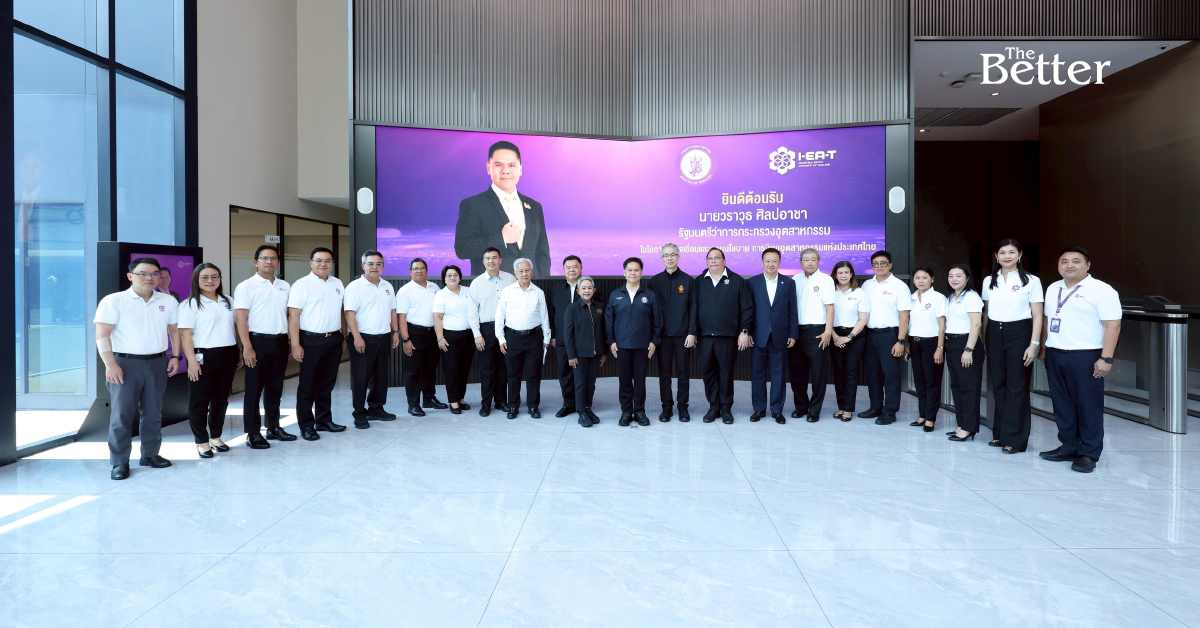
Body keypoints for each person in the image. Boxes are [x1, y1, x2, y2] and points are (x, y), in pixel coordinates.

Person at [94, 258, 181, 480]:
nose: (149, 278)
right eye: (143, 273)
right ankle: (119, 462)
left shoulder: (168, 300)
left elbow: (174, 331)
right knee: (122, 414)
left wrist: (175, 356)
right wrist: (110, 365)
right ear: (130, 276)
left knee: (153, 412)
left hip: (158, 362)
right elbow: (102, 335)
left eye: (154, 273)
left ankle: (150, 455)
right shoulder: (114, 301)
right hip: (125, 364)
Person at [1038, 247, 1122, 473]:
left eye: (1076, 261)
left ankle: (1088, 453)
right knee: (1062, 404)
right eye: (1064, 261)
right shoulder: (1053, 288)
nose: (1069, 265)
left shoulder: (1102, 290)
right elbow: (1047, 319)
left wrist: (1106, 358)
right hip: (1055, 353)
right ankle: (1069, 446)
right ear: (1058, 265)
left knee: (1088, 405)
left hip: (1085, 356)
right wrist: (1044, 347)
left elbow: (1113, 325)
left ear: (1088, 265)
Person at [982, 239, 1044, 454]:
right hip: (994, 332)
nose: (1006, 256)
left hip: (1020, 333)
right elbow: (986, 313)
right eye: (1002, 252)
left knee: (1017, 386)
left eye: (1011, 252)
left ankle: (1015, 439)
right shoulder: (989, 280)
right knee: (998, 385)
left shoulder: (1031, 281)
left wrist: (1034, 344)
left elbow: (1038, 315)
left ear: (1020, 255)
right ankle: (999, 433)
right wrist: (985, 339)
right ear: (996, 257)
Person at [454, 140, 552, 276]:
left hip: (531, 286)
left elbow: (542, 254)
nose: (505, 171)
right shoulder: (473, 205)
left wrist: (544, 282)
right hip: (493, 286)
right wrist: (502, 238)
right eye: (499, 165)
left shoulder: (534, 207)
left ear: (520, 169)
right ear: (489, 168)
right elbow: (462, 249)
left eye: (511, 165)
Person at [234, 244, 295, 448]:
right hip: (257, 342)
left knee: (275, 388)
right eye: (265, 258)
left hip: (280, 341)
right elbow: (240, 319)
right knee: (254, 389)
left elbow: (289, 316)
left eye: (273, 258)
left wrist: (289, 342)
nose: (269, 261)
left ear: (278, 262)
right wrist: (246, 347)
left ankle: (273, 427)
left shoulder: (285, 286)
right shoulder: (246, 286)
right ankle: (252, 433)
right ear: (255, 262)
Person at [179, 263, 239, 458]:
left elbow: (235, 327)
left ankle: (216, 437)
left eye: (215, 277)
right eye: (204, 277)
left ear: (220, 279)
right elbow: (185, 335)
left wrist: (238, 351)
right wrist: (192, 362)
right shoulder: (189, 304)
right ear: (196, 280)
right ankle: (201, 441)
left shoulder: (228, 300)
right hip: (202, 355)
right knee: (199, 400)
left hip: (227, 353)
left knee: (221, 399)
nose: (210, 281)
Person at [288, 247, 348, 441]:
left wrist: (343, 335)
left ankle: (324, 420)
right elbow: (293, 316)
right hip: (311, 340)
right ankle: (306, 425)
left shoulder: (337, 283)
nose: (323, 264)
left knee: (327, 383)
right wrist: (295, 344)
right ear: (311, 263)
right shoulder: (301, 285)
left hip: (334, 339)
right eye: (319, 260)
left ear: (332, 263)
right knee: (308, 385)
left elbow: (341, 311)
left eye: (328, 260)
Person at [691, 248, 753, 424]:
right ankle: (713, 407)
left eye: (717, 258)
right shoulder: (699, 282)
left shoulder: (737, 281)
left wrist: (744, 331)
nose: (713, 261)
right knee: (708, 372)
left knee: (725, 373)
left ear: (724, 260)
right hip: (704, 337)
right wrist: (692, 332)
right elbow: (693, 308)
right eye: (710, 258)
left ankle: (726, 408)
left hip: (727, 336)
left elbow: (747, 308)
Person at [343, 249, 400, 430]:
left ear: (383, 266)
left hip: (383, 337)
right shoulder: (355, 287)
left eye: (378, 264)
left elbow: (392, 311)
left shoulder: (387, 286)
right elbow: (349, 313)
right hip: (363, 338)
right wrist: (356, 337)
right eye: (371, 264)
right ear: (363, 266)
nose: (374, 267)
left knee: (380, 376)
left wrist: (395, 332)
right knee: (360, 378)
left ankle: (376, 408)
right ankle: (359, 413)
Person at [606, 257, 663, 426]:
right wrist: (611, 341)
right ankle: (626, 412)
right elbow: (608, 321)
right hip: (621, 345)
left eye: (636, 270)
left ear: (641, 273)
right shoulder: (615, 295)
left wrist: (654, 341)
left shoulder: (649, 295)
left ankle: (639, 411)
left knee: (639, 380)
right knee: (624, 380)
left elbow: (657, 320)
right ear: (624, 272)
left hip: (642, 345)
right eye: (629, 270)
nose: (633, 273)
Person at [860, 250, 911, 425]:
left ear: (890, 265)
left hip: (890, 335)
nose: (879, 266)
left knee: (891, 375)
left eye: (883, 263)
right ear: (872, 266)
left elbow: (904, 316)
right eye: (876, 263)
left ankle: (890, 411)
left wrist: (901, 340)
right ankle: (875, 407)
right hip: (870, 335)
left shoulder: (899, 286)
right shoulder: (867, 285)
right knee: (872, 373)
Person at [748, 248, 798, 424]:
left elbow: (793, 310)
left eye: (774, 261)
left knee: (779, 375)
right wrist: (747, 332)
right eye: (767, 261)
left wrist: (793, 333)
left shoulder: (788, 283)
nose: (771, 264)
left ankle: (777, 410)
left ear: (779, 262)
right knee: (758, 375)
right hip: (758, 336)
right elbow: (748, 310)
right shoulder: (752, 283)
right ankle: (759, 408)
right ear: (762, 262)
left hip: (780, 336)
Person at [496, 258, 551, 419]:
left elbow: (544, 317)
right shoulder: (507, 291)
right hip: (512, 337)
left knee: (533, 374)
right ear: (515, 273)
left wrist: (546, 338)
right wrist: (501, 338)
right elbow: (499, 316)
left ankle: (533, 406)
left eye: (527, 270)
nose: (524, 274)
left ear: (532, 272)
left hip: (534, 337)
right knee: (513, 374)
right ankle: (513, 405)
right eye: (521, 271)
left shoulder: (538, 292)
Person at [648, 243, 695, 422]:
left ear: (678, 257)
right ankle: (666, 407)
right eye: (666, 255)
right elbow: (651, 310)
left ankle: (683, 407)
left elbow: (693, 308)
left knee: (683, 374)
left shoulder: (688, 280)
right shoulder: (655, 281)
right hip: (662, 336)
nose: (670, 258)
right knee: (664, 374)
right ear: (662, 258)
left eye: (673, 255)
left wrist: (692, 332)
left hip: (683, 335)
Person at [467, 247, 516, 416]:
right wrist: (477, 335)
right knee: (487, 369)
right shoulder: (477, 283)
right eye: (487, 258)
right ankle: (486, 404)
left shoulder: (510, 279)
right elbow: (472, 311)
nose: (491, 261)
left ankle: (501, 401)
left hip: (506, 328)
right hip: (486, 330)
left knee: (504, 367)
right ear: (483, 261)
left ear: (500, 260)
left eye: (494, 258)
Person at [790, 248, 835, 422]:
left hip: (818, 332)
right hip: (797, 332)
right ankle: (801, 407)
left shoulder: (826, 280)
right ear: (801, 262)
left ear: (818, 261)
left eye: (813, 259)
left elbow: (830, 308)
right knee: (797, 374)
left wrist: (828, 331)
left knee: (818, 374)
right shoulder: (795, 280)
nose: (810, 263)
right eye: (806, 259)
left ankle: (814, 410)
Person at [396, 258, 446, 416]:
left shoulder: (435, 287)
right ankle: (413, 404)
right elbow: (401, 317)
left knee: (430, 369)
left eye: (422, 268)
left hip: (433, 334)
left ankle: (429, 399)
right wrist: (405, 339)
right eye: (416, 268)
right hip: (414, 333)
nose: (419, 271)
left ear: (427, 270)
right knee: (413, 371)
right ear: (410, 272)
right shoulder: (405, 290)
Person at [945, 264, 984, 442]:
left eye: (958, 275)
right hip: (952, 343)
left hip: (967, 343)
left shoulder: (972, 297)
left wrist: (969, 350)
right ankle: (961, 424)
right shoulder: (952, 297)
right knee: (957, 386)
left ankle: (969, 427)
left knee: (969, 388)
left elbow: (976, 324)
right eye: (951, 275)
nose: (954, 279)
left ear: (967, 278)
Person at [563, 277, 607, 427]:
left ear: (594, 290)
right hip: (579, 355)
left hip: (595, 354)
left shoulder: (599, 307)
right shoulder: (572, 309)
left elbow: (603, 331)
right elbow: (568, 334)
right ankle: (581, 411)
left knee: (591, 383)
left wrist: (603, 352)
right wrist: (571, 355)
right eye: (584, 288)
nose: (587, 291)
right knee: (580, 383)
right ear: (578, 291)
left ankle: (588, 408)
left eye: (589, 288)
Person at [907, 266, 947, 432]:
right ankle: (922, 415)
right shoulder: (910, 298)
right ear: (913, 280)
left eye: (925, 277)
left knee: (932, 381)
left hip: (932, 343)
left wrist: (940, 347)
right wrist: (907, 344)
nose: (921, 281)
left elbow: (942, 325)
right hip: (914, 342)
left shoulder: (938, 298)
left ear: (932, 279)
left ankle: (930, 418)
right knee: (919, 381)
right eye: (918, 278)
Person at [830, 261, 871, 421]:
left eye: (846, 272)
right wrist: (835, 336)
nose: (843, 275)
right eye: (840, 273)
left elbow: (863, 318)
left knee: (850, 372)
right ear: (835, 275)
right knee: (838, 372)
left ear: (851, 274)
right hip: (835, 335)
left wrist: (849, 337)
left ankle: (848, 409)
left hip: (855, 336)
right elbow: (825, 316)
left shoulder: (860, 293)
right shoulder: (830, 292)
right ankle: (841, 407)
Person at [434, 265, 477, 414]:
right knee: (452, 369)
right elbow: (437, 317)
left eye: (455, 275)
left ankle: (461, 398)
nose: (452, 277)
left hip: (468, 336)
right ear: (444, 279)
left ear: (460, 277)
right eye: (449, 275)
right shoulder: (441, 294)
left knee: (464, 369)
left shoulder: (468, 291)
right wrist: (440, 338)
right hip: (450, 337)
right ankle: (453, 401)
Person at [547, 255, 584, 418]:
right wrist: (553, 336)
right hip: (562, 339)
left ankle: (583, 404)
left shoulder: (588, 287)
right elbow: (551, 314)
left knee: (581, 374)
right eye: (568, 267)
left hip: (583, 340)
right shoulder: (556, 289)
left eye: (575, 267)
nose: (572, 270)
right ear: (563, 270)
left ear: (581, 268)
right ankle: (568, 404)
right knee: (565, 373)